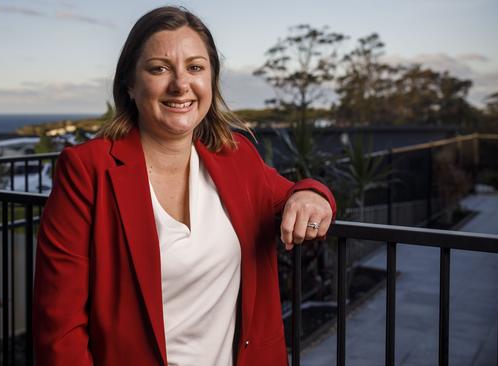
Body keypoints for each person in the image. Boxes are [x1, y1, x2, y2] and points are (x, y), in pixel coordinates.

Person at [33, 6, 335, 366]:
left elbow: (294, 192)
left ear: (211, 80)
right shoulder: (87, 170)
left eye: (195, 67)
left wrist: (311, 194)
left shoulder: (235, 157)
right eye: (159, 68)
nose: (181, 84)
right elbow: (59, 327)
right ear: (130, 84)